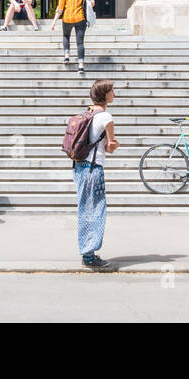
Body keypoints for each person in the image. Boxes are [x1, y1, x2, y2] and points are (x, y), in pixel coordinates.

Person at [74, 79, 118, 270]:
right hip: (94, 168)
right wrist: (115, 145)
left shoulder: (87, 114)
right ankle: (89, 255)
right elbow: (110, 147)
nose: (114, 94)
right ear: (105, 95)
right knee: (96, 210)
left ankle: (87, 251)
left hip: (79, 167)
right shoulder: (106, 117)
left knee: (85, 209)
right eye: (112, 91)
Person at [51, 0, 94, 73]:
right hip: (80, 18)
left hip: (67, 19)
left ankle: (66, 56)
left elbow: (60, 9)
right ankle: (81, 66)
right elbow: (92, 2)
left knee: (66, 36)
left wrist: (54, 22)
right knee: (80, 43)